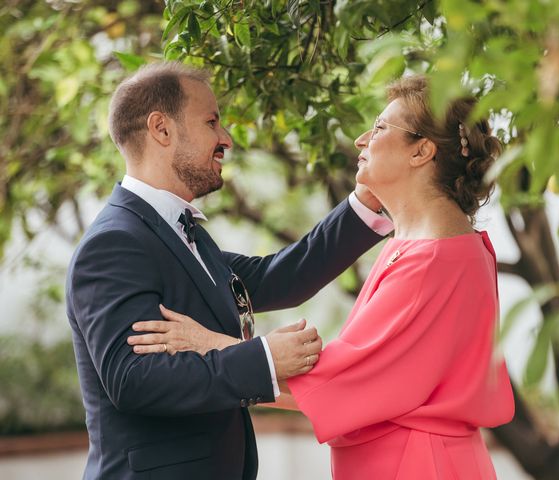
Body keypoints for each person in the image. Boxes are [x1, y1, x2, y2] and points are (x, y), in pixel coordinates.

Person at [132, 74, 515, 479]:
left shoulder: (434, 259)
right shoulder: (428, 247)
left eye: (381, 127)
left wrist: (207, 344)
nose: (362, 140)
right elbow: (284, 282)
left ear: (421, 151)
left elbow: (336, 383)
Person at [65, 61, 392, 480]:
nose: (227, 139)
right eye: (212, 121)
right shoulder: (114, 243)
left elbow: (280, 276)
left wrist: (369, 201)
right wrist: (264, 359)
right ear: (161, 130)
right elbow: (132, 380)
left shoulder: (184, 233)